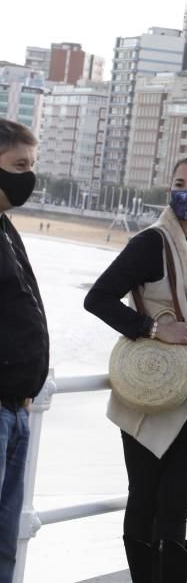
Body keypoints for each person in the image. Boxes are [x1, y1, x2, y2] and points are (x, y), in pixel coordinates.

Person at [85, 156, 187, 581]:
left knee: (177, 498)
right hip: (153, 390)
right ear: (169, 191)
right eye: (179, 183)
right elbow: (98, 298)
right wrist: (155, 327)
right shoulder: (152, 243)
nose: (186, 192)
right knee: (144, 495)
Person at [0, 120, 49, 580]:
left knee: (4, 539)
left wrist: (27, 381)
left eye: (32, 166)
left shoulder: (6, 229)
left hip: (17, 408)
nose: (28, 177)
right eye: (19, 165)